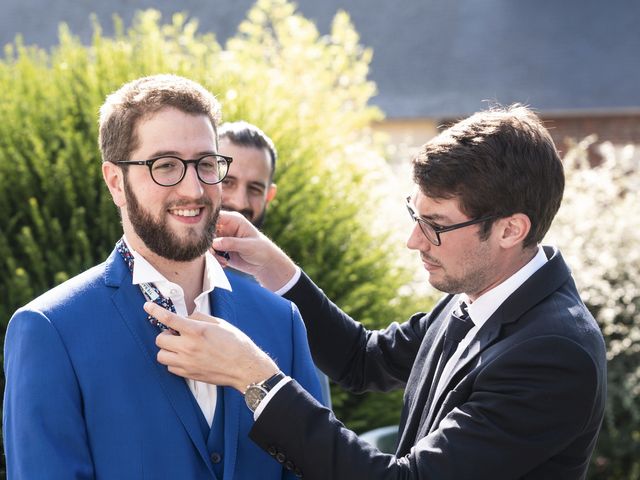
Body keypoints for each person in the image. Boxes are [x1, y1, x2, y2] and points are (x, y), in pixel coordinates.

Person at [148, 105, 608, 479]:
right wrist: (277, 268)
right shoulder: (481, 292)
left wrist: (256, 379)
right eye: (416, 215)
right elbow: (364, 360)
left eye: (437, 226)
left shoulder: (554, 355)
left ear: (511, 230)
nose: (415, 240)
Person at [2, 74, 322, 479]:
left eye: (207, 164)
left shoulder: (281, 321)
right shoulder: (50, 331)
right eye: (166, 166)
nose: (193, 189)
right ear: (117, 182)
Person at [218, 120, 332, 408]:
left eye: (254, 188)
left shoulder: (287, 301)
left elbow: (315, 418)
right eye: (227, 182)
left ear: (270, 195)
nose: (239, 201)